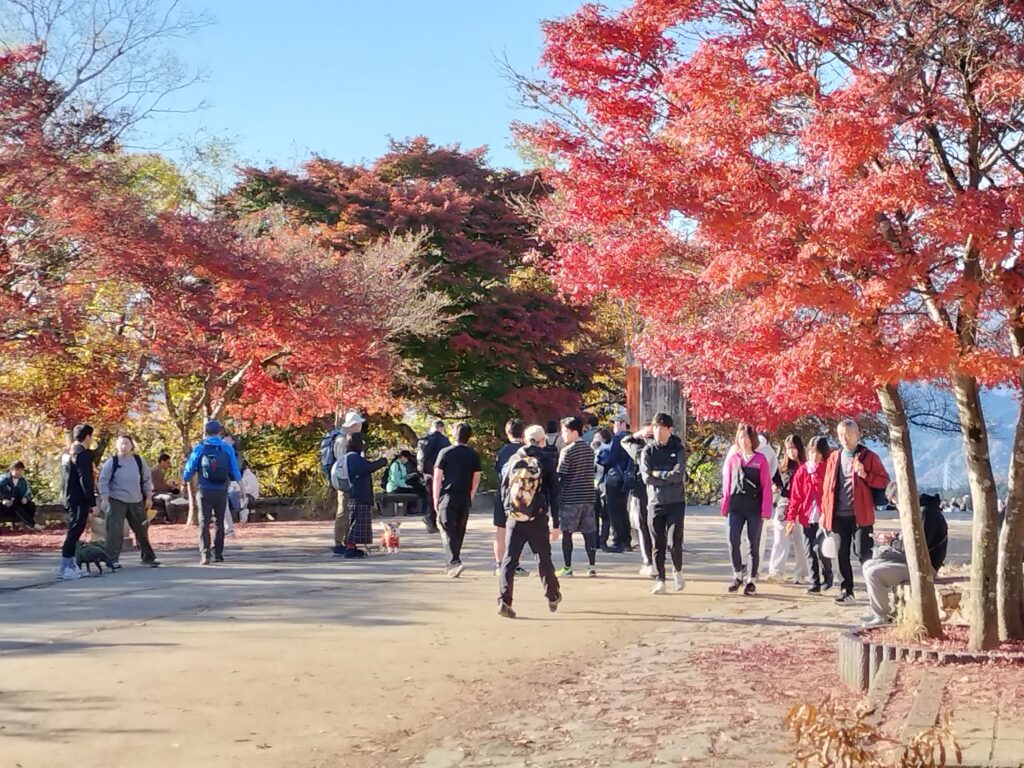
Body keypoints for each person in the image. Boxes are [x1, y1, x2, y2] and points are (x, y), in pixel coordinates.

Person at [821, 418, 890, 604]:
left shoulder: (869, 457)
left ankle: (875, 590)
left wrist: (865, 475)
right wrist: (824, 512)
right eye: (841, 434)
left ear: (857, 435)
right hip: (837, 515)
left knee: (863, 553)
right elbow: (827, 487)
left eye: (848, 434)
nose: (844, 438)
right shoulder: (834, 457)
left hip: (861, 515)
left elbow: (884, 481)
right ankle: (846, 591)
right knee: (840, 554)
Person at [497, 424, 562, 618]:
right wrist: (556, 523)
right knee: (543, 558)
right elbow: (554, 495)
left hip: (514, 517)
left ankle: (504, 600)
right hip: (537, 518)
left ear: (525, 440)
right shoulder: (547, 461)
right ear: (543, 441)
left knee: (509, 559)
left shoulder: (514, 458)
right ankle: (552, 596)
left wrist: (508, 511)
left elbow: (504, 488)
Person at [861, 487, 948, 627]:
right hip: (914, 560)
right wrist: (895, 538)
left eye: (897, 503)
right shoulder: (919, 510)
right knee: (868, 565)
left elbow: (916, 547)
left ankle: (882, 616)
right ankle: (878, 611)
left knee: (874, 573)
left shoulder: (925, 513)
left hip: (925, 566)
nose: (898, 508)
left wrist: (892, 541)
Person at [720, 423, 773, 595]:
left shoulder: (761, 460)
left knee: (753, 543)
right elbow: (727, 483)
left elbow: (766, 485)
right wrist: (725, 504)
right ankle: (737, 575)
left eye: (747, 437)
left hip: (754, 507)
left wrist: (766, 510)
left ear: (753, 439)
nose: (744, 440)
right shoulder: (733, 458)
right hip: (736, 506)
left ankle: (751, 580)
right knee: (733, 539)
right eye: (741, 437)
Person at [639, 413, 687, 595]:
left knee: (674, 541)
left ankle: (678, 570)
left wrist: (659, 474)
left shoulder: (678, 448)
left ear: (670, 430)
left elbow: (678, 475)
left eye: (662, 428)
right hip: (655, 502)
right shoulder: (648, 451)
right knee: (657, 543)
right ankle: (660, 579)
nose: (658, 431)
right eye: (656, 427)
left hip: (676, 502)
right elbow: (647, 477)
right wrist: (666, 476)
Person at [183, 420, 241, 565]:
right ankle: (218, 554)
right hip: (221, 489)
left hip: (204, 489)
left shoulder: (200, 447)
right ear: (219, 432)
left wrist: (185, 478)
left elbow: (190, 467)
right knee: (219, 522)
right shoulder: (227, 448)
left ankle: (205, 554)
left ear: (205, 432)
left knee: (204, 521)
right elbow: (234, 469)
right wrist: (241, 485)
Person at [97, 435, 160, 568]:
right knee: (114, 531)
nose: (123, 446)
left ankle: (148, 558)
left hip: (136, 500)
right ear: (116, 446)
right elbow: (103, 481)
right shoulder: (112, 462)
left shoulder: (138, 461)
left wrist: (149, 497)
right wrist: (104, 498)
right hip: (116, 500)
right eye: (120, 443)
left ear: (132, 446)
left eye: (126, 443)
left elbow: (146, 479)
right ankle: (112, 560)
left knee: (142, 529)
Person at [433, 422, 481, 577]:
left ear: (454, 435)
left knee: (447, 529)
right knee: (460, 530)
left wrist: (435, 498)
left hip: (448, 495)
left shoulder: (445, 452)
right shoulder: (473, 454)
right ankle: (453, 562)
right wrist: (471, 495)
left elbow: (437, 478)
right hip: (464, 495)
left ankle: (454, 562)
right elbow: (476, 477)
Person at [787, 436, 835, 594]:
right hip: (807, 516)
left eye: (818, 453)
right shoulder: (802, 471)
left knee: (820, 547)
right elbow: (795, 496)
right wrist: (791, 517)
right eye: (812, 452)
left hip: (823, 516)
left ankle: (828, 575)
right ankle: (814, 581)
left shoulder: (827, 469)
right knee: (809, 549)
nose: (814, 456)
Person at [766, 435, 811, 584]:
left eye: (793, 448)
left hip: (801, 509)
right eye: (788, 448)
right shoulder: (782, 468)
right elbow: (776, 485)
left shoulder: (806, 467)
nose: (791, 451)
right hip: (783, 507)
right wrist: (775, 489)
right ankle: (776, 571)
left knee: (800, 542)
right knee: (780, 540)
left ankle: (801, 573)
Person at [557, 416, 598, 577]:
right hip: (588, 496)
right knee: (589, 533)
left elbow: (561, 475)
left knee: (567, 533)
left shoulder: (567, 451)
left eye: (565, 431)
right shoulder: (589, 449)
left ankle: (567, 567)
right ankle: (591, 566)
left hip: (570, 498)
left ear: (574, 432)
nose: (563, 435)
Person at [339, 432, 388, 558]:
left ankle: (353, 546)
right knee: (357, 522)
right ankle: (350, 547)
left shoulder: (351, 457)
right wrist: (382, 461)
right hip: (359, 494)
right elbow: (367, 467)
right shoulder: (354, 458)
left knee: (357, 520)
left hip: (357, 494)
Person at [58, 424, 97, 580]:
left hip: (68, 496)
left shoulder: (66, 453)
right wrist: (92, 502)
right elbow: (85, 479)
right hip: (79, 498)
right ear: (87, 436)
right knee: (75, 530)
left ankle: (71, 564)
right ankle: (65, 567)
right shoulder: (82, 454)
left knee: (75, 529)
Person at [493, 419, 529, 576]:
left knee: (500, 530)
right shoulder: (526, 450)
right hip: (520, 495)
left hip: (502, 493)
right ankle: (515, 564)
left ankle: (499, 564)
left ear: (507, 432)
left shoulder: (502, 451)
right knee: (518, 531)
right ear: (523, 433)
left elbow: (498, 472)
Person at [598, 413, 635, 552]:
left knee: (614, 511)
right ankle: (626, 540)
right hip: (626, 478)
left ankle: (618, 540)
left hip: (615, 478)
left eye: (616, 422)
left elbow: (610, 457)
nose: (614, 426)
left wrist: (600, 452)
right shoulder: (632, 438)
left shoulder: (618, 438)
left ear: (622, 423)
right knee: (623, 509)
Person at [622, 427, 655, 577]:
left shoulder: (640, 450)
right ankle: (657, 561)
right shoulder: (667, 450)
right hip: (659, 493)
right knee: (657, 528)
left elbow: (624, 441)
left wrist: (637, 434)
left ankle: (649, 562)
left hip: (641, 492)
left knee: (643, 527)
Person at [332, 410, 367, 547]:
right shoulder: (342, 441)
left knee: (349, 511)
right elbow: (342, 462)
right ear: (352, 425)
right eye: (358, 424)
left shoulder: (352, 439)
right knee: (343, 511)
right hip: (344, 481)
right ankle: (338, 542)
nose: (360, 426)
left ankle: (348, 540)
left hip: (352, 481)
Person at [417, 419, 451, 534]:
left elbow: (420, 457)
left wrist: (422, 471)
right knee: (439, 497)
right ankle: (437, 521)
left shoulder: (423, 440)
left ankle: (429, 520)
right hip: (440, 472)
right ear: (441, 428)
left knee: (429, 497)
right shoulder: (444, 440)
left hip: (426, 473)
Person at [0, 461, 41, 531]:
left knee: (30, 505)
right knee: (15, 506)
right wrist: (3, 500)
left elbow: (28, 493)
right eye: (17, 470)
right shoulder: (3, 479)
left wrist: (26, 498)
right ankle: (33, 525)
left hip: (16, 505)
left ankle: (27, 524)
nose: (20, 472)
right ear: (11, 470)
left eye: (21, 470)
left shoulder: (23, 481)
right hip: (3, 506)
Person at [150, 453, 185, 523]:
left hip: (158, 492)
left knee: (176, 496)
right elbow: (156, 486)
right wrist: (170, 488)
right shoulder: (156, 471)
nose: (169, 464)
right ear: (162, 461)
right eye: (168, 462)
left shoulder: (159, 470)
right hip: (154, 493)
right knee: (168, 498)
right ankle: (171, 518)